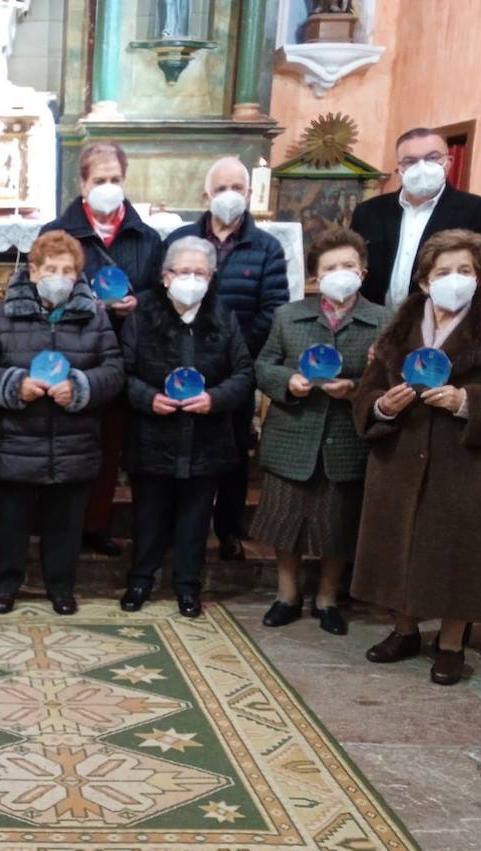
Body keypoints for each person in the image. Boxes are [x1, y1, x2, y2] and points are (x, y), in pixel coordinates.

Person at [352, 229, 481, 686]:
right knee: (401, 547)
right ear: (424, 282)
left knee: (462, 556)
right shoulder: (397, 333)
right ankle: (404, 631)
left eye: (464, 271)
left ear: (479, 278)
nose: (454, 280)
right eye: (444, 272)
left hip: (469, 467)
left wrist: (468, 402)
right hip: (400, 460)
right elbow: (366, 395)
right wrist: (384, 406)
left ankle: (451, 644)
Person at [250, 227, 389, 635]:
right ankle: (286, 594)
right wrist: (287, 382)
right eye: (330, 267)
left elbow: (390, 378)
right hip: (294, 430)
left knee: (337, 523)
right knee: (285, 520)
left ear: (363, 272)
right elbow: (264, 366)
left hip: (346, 436)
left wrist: (355, 390)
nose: (339, 272)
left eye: (348, 265)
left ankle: (328, 597)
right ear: (316, 276)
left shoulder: (384, 319)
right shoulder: (288, 316)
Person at [0, 230, 124, 615]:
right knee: (11, 524)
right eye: (50, 268)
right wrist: (15, 384)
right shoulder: (0, 314)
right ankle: (5, 585)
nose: (58, 276)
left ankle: (60, 587)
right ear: (33, 271)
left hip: (73, 441)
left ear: (79, 274)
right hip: (16, 440)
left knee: (65, 524)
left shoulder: (95, 317)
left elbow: (113, 370)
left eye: (67, 270)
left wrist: (80, 386)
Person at [41, 141, 164, 558]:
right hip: (73, 353)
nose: (108, 187)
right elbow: (43, 288)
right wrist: (85, 303)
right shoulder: (57, 233)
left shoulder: (146, 237)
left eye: (115, 180)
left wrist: (139, 303)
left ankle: (96, 523)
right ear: (82, 183)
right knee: (68, 442)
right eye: (99, 180)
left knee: (109, 444)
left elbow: (159, 293)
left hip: (125, 356)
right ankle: (59, 526)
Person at [119, 237, 253, 619]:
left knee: (195, 519)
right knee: (148, 514)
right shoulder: (142, 314)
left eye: (200, 273)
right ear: (165, 276)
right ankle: (141, 579)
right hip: (152, 435)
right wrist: (147, 397)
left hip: (205, 439)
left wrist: (215, 398)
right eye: (183, 272)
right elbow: (122, 370)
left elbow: (244, 373)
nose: (191, 279)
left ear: (211, 278)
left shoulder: (223, 316)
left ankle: (187, 586)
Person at [166, 156, 288, 561]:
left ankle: (230, 528)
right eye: (222, 189)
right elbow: (161, 297)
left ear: (250, 194)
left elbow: (273, 309)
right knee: (179, 447)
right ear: (206, 195)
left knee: (233, 451)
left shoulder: (267, 247)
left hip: (236, 368)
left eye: (238, 188)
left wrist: (230, 352)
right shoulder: (180, 239)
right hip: (181, 362)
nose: (230, 196)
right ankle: (176, 528)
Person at [351, 127, 481, 308]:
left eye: (432, 158)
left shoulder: (477, 210)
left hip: (439, 323)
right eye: (411, 161)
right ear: (399, 169)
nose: (422, 167)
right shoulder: (368, 211)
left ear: (448, 162)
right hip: (375, 323)